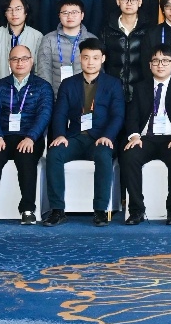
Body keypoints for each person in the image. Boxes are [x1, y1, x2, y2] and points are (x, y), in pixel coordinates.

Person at [42, 38, 124, 227]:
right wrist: (60, 134)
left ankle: (100, 211)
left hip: (101, 138)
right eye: (86, 57)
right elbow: (60, 113)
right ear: (80, 58)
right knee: (54, 153)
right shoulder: (68, 84)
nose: (90, 62)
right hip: (75, 137)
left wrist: (108, 136)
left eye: (95, 58)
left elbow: (118, 115)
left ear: (103, 59)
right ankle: (57, 210)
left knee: (103, 155)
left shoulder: (113, 84)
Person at [0, 45, 53, 225]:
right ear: (9, 62)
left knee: (26, 158)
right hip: (3, 137)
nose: (20, 63)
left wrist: (31, 137)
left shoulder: (43, 87)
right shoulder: (0, 86)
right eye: (15, 59)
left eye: (24, 59)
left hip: (30, 137)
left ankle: (27, 209)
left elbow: (44, 114)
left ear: (31, 61)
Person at [120, 44, 171, 225]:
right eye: (156, 61)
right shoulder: (141, 87)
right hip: (145, 138)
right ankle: (136, 210)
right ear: (150, 65)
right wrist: (134, 136)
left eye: (165, 61)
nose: (160, 65)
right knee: (129, 156)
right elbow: (132, 116)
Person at [0, 0, 44, 90]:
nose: (14, 13)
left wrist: (35, 94)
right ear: (5, 13)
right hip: (1, 92)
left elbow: (40, 69)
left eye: (18, 9)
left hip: (30, 93)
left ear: (26, 11)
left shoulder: (37, 37)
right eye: (9, 9)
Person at [102, 0, 152, 95]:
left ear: (140, 2)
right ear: (118, 1)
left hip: (141, 91)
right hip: (112, 90)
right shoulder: (107, 29)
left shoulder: (149, 30)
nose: (129, 3)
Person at [36, 0, 90, 88]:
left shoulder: (91, 39)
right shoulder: (48, 39)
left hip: (85, 93)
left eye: (74, 12)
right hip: (57, 94)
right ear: (59, 15)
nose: (70, 16)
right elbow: (44, 72)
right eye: (65, 13)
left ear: (82, 15)